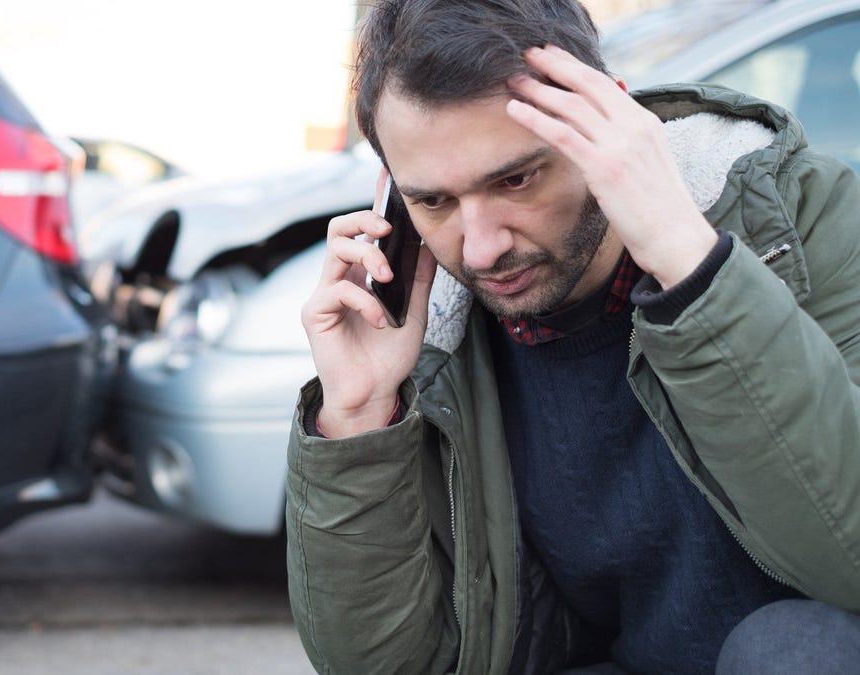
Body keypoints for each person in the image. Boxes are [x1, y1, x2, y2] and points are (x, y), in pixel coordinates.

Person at [284, 0, 860, 673]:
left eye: (517, 178)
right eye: (433, 200)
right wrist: (356, 420)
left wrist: (693, 268)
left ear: (612, 125)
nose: (482, 247)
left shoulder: (803, 221)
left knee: (797, 650)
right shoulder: (435, 336)